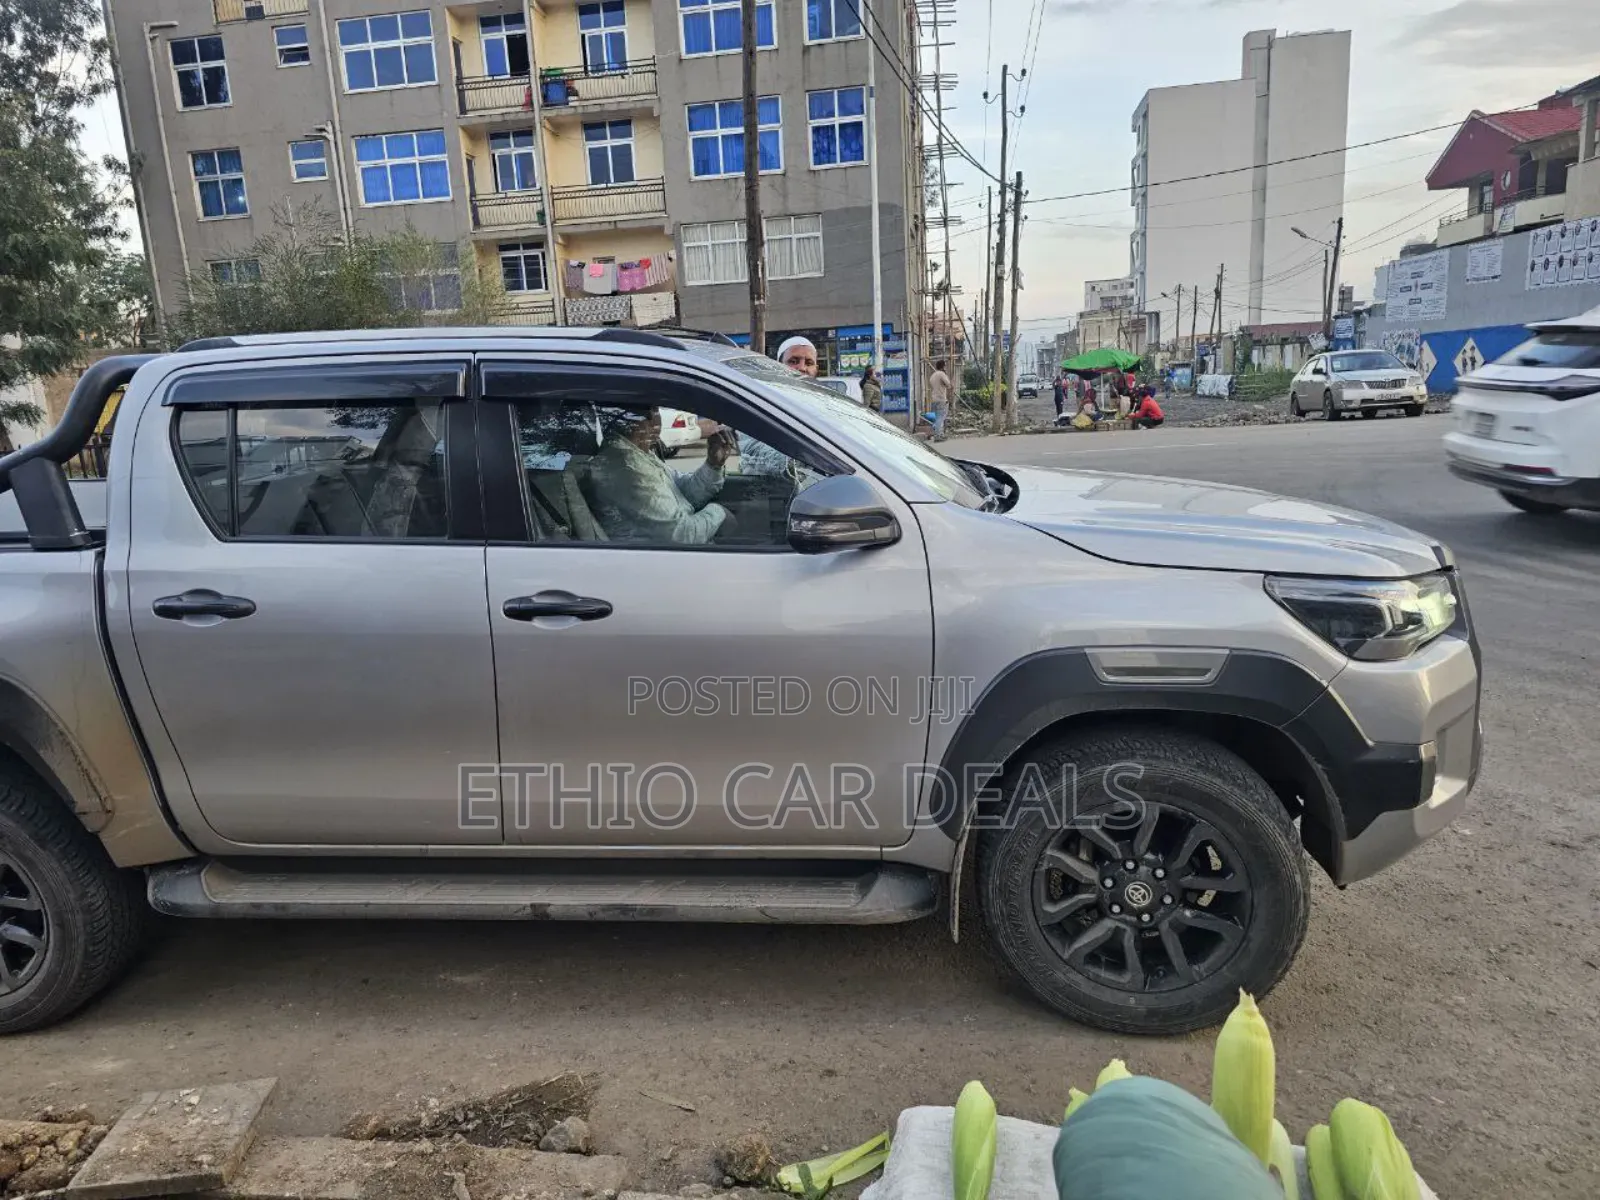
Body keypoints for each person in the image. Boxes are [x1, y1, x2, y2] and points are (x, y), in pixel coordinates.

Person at [586, 408, 731, 543]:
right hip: (653, 561)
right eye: (654, 412)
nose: (658, 421)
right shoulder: (627, 469)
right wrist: (719, 512)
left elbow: (685, 493)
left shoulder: (639, 455)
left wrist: (713, 464)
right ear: (638, 423)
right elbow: (682, 534)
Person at [927, 358, 952, 440]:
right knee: (941, 418)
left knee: (937, 418)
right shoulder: (942, 374)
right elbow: (948, 385)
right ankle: (938, 436)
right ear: (943, 366)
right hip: (941, 399)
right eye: (945, 366)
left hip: (934, 399)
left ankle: (939, 434)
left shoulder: (932, 376)